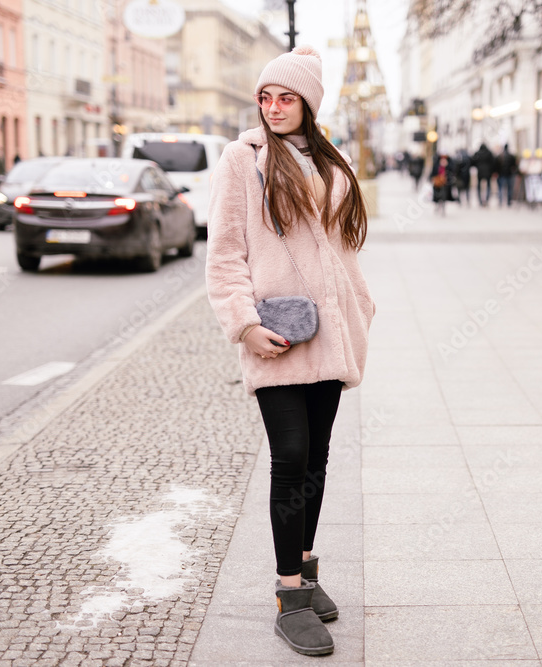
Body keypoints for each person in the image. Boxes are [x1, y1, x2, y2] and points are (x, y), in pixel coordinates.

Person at [205, 45, 374, 657]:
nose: (274, 108)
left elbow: (341, 249)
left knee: (319, 457)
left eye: (287, 98)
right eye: (266, 97)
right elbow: (225, 252)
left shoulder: (330, 160)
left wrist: (361, 306)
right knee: (291, 454)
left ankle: (306, 567)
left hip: (331, 333)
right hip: (275, 335)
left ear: (308, 104)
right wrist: (242, 324)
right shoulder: (242, 159)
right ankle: (288, 596)